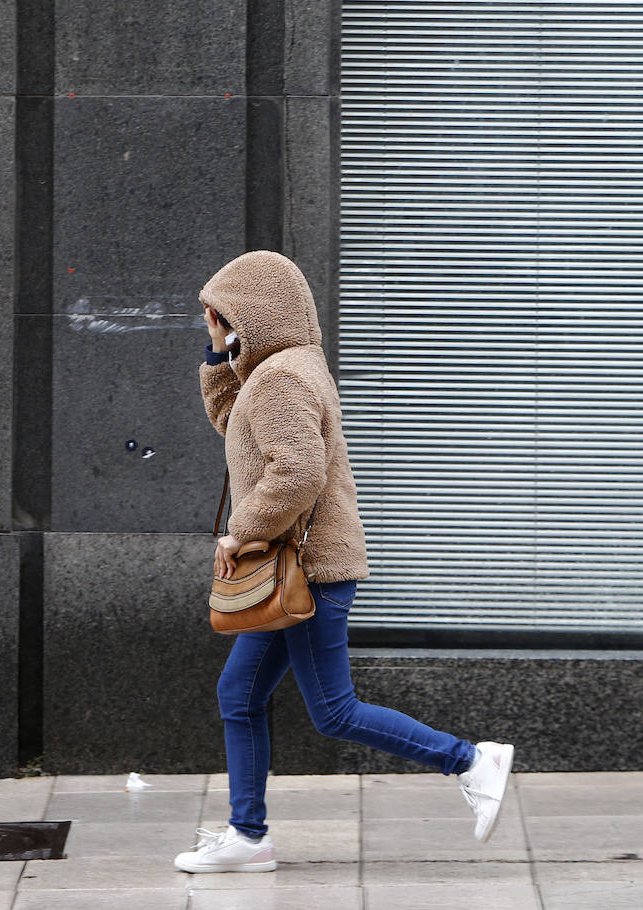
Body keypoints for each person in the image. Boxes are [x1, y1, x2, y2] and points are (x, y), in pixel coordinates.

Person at [175, 250, 514, 874]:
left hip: (310, 572)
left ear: (249, 313)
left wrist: (240, 533)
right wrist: (220, 360)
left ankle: (470, 760)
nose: (210, 324)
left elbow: (298, 472)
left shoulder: (281, 378)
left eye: (215, 315)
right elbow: (234, 424)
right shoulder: (281, 369)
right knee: (239, 695)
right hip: (308, 568)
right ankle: (247, 837)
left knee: (333, 710)